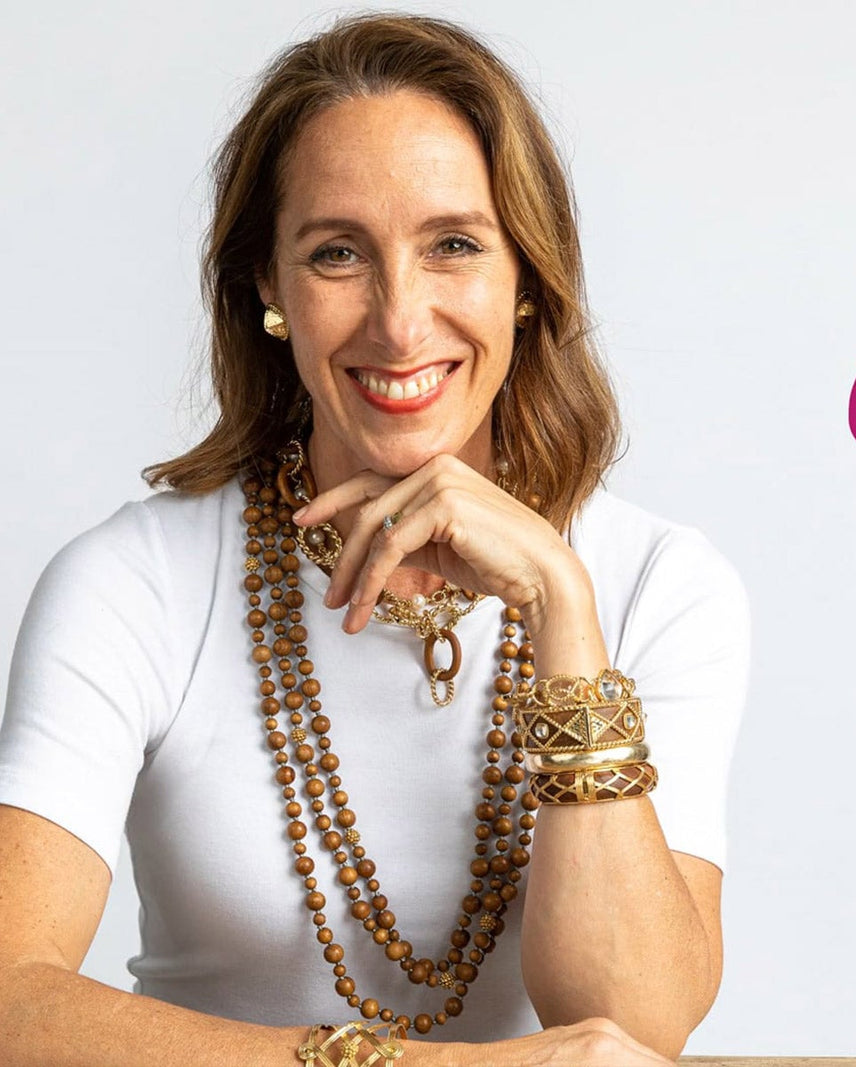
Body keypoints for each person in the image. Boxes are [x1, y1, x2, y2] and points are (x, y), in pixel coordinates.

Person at [0, 12, 749, 1065]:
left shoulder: (657, 583)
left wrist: (562, 612)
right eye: (337, 253)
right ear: (268, 286)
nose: (400, 321)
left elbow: (635, 1022)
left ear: (526, 277)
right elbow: (8, 997)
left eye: (453, 244)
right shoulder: (133, 583)